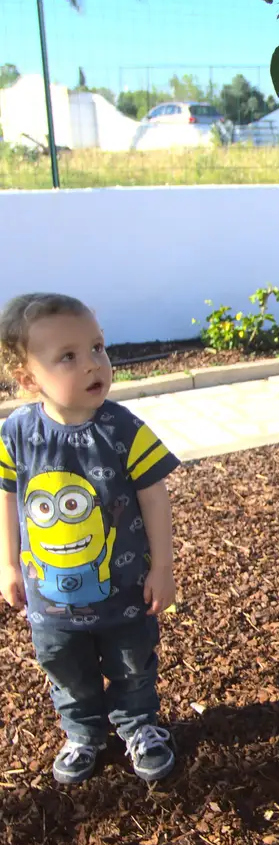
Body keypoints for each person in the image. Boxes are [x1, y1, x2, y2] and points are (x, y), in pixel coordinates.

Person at [0, 292, 179, 785]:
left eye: (97, 348)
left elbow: (154, 498)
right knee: (63, 666)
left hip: (124, 589)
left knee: (131, 663)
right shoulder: (16, 434)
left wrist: (162, 568)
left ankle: (139, 725)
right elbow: (8, 496)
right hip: (48, 597)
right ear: (28, 378)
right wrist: (8, 564)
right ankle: (82, 733)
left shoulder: (124, 430)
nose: (93, 364)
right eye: (69, 356)